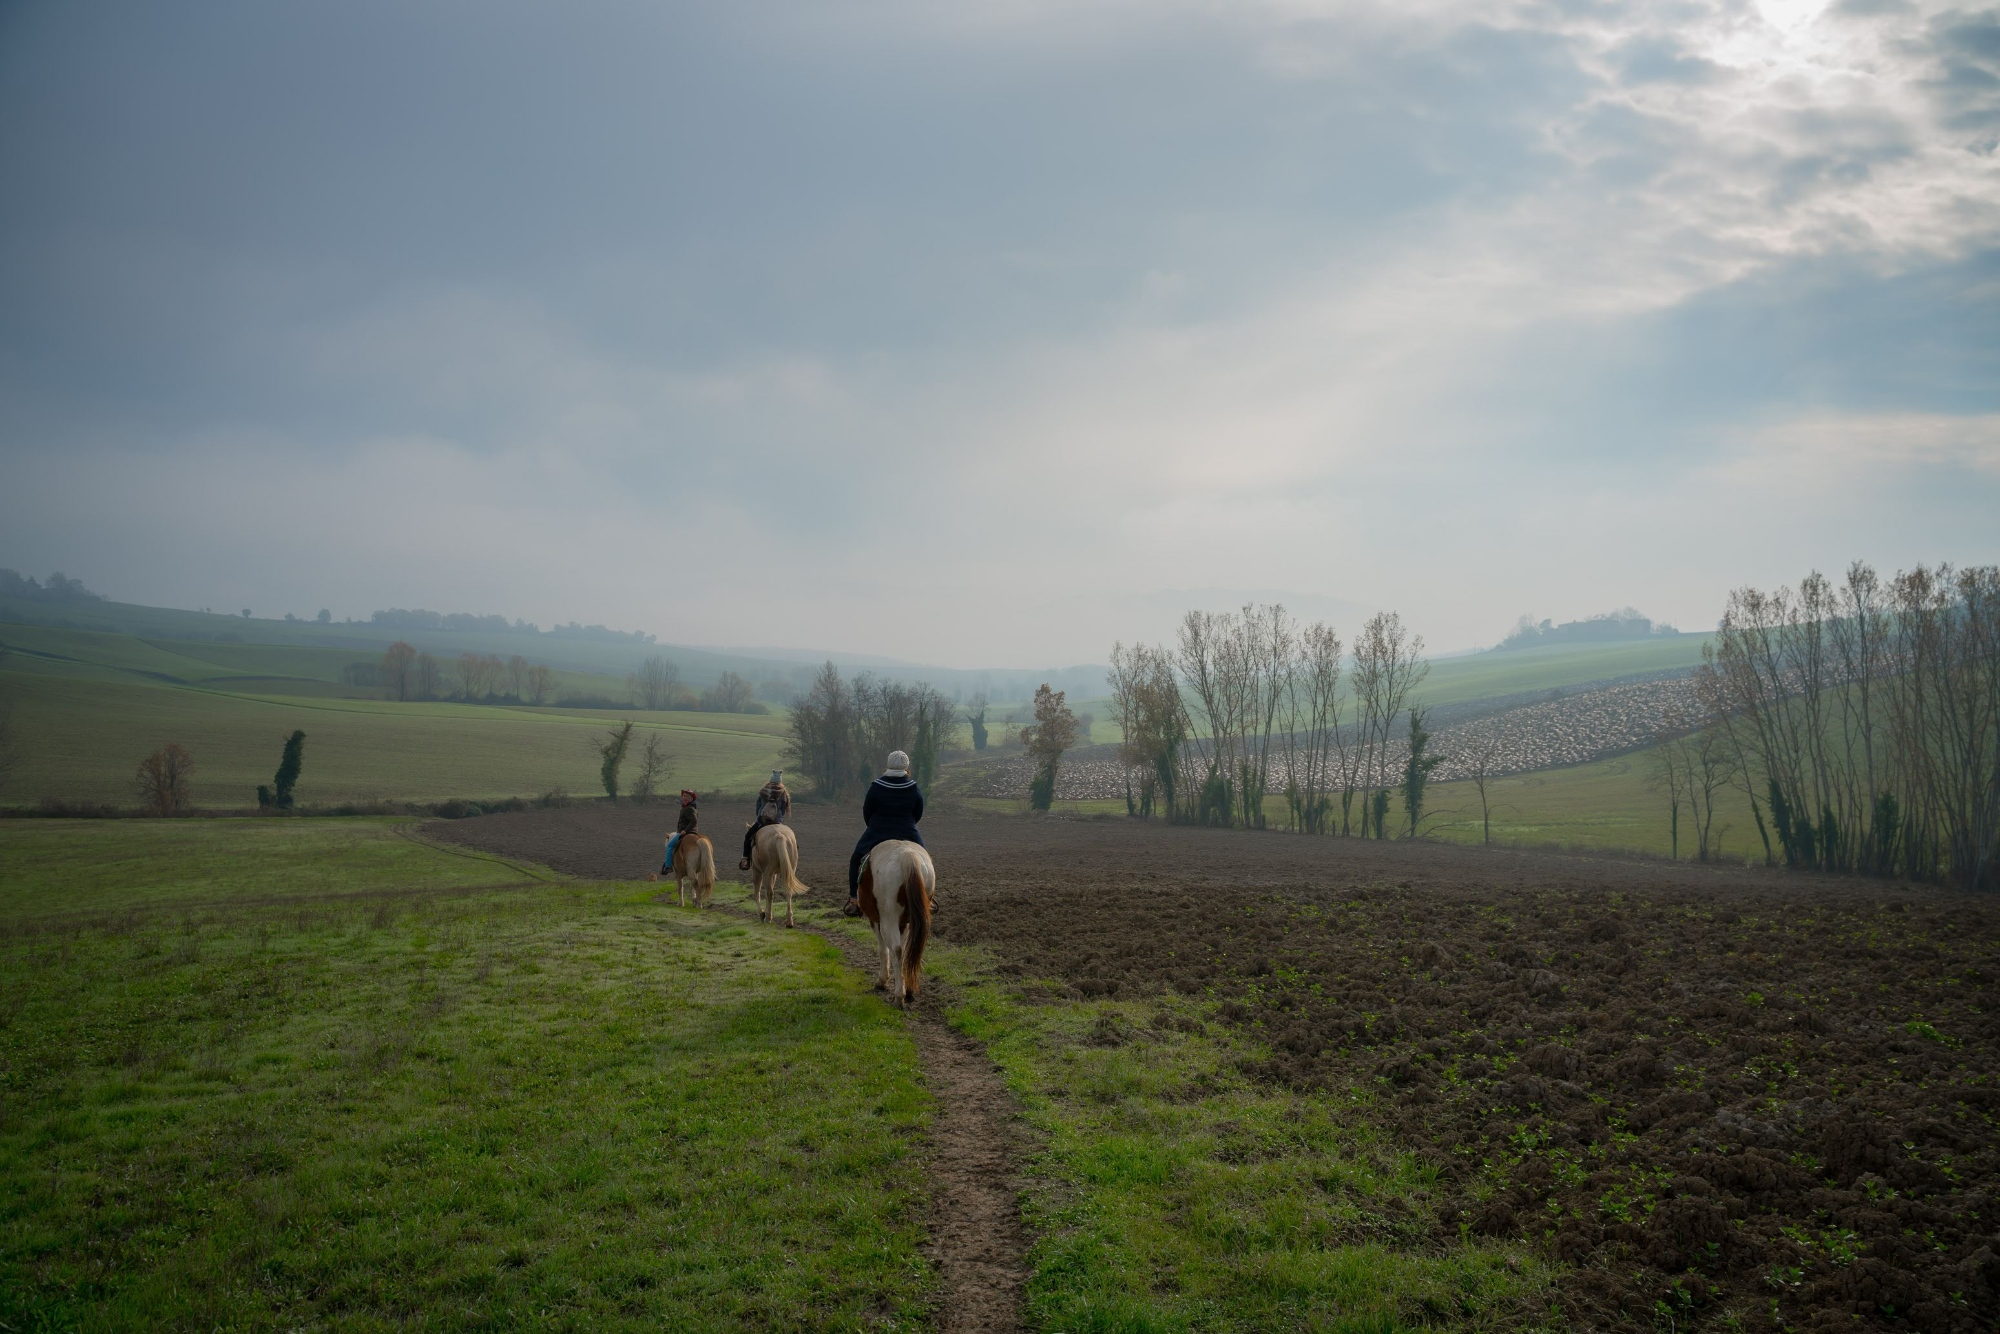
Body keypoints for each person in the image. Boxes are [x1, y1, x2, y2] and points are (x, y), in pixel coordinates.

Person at [845, 750, 924, 917]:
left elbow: (867, 811)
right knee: (925, 860)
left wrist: (874, 826)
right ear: (906, 767)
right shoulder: (913, 787)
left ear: (887, 765)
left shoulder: (876, 786)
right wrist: (908, 825)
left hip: (878, 831)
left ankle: (853, 900)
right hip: (908, 830)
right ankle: (929, 899)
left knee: (855, 859)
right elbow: (918, 811)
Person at [740, 769, 791, 870]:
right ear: (780, 782)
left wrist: (760, 817)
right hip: (778, 822)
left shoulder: (763, 791)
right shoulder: (783, 793)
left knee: (748, 836)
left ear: (770, 780)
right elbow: (783, 809)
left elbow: (758, 807)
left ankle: (745, 859)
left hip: (762, 821)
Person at [662, 789, 699, 876]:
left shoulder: (689, 809)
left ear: (691, 799)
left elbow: (694, 821)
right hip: (690, 831)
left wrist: (685, 830)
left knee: (670, 845)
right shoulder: (689, 808)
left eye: (687, 796)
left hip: (685, 832)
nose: (685, 798)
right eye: (684, 796)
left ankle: (668, 866)